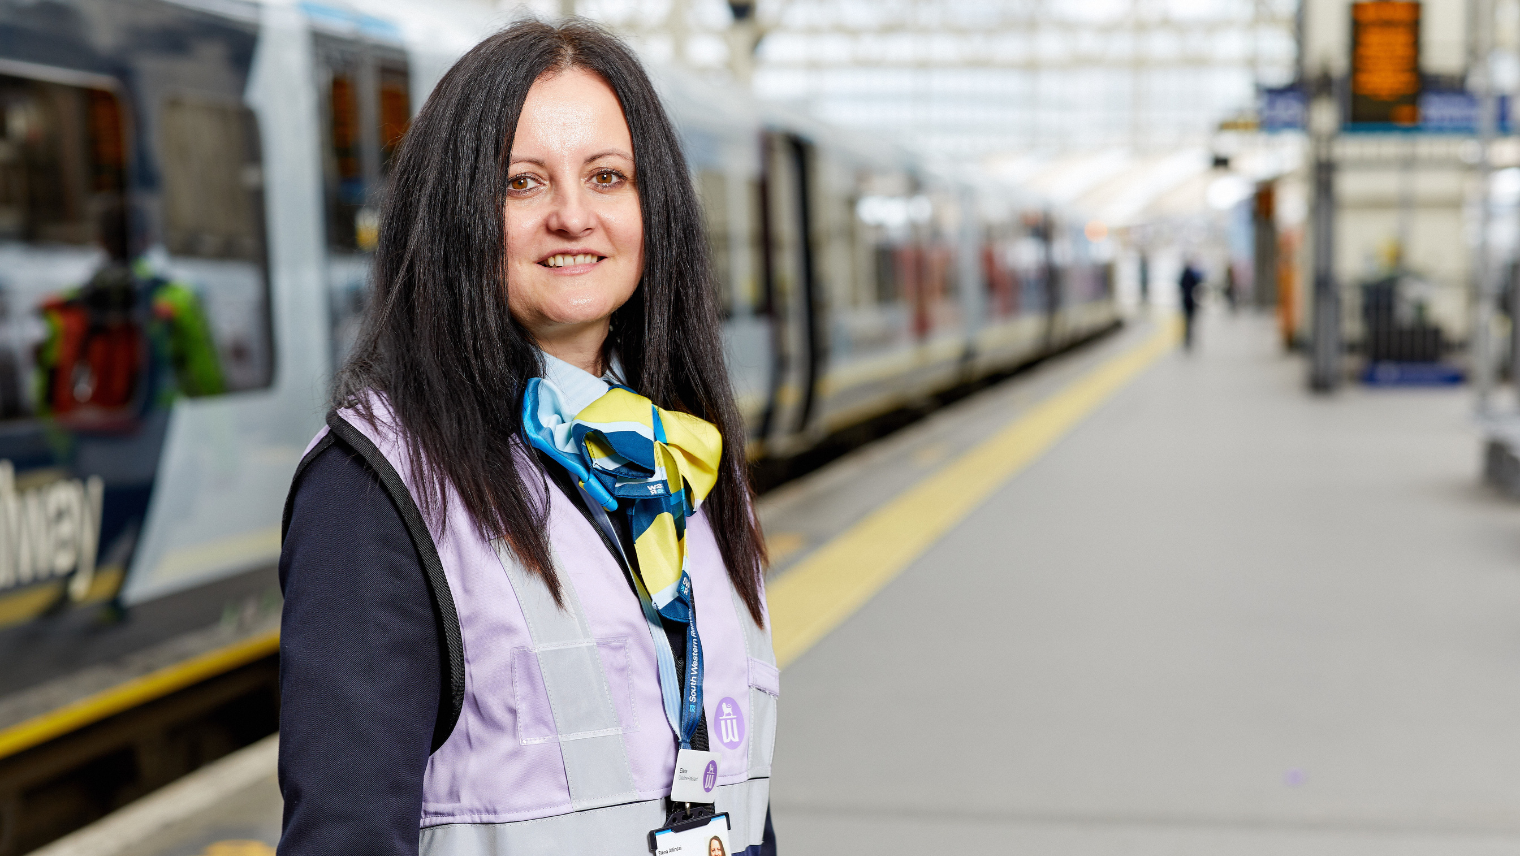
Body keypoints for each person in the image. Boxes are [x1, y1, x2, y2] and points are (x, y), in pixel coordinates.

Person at [277, 20, 779, 856]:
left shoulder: (680, 460)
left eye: (607, 177)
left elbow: (739, 791)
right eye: (522, 184)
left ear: (653, 208)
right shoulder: (372, 486)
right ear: (454, 215)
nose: (573, 218)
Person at [1178, 260, 1203, 350]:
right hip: (1191, 301)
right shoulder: (1192, 275)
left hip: (1185, 301)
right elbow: (1197, 283)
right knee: (1191, 321)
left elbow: (1180, 285)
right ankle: (1190, 338)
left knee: (1186, 321)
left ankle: (1186, 339)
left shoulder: (1183, 275)